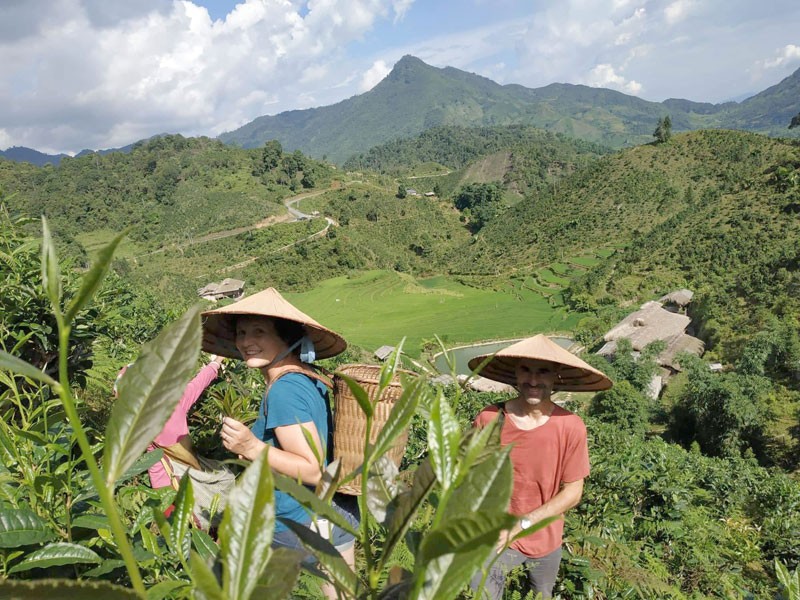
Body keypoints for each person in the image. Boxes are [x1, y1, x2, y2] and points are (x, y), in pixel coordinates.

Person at [200, 287, 358, 597]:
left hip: (298, 521)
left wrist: (250, 447)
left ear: (286, 338)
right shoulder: (307, 376)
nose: (246, 341)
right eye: (242, 332)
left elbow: (311, 470)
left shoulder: (285, 390)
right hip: (331, 515)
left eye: (259, 331)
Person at [467, 334, 612, 600]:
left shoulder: (570, 426)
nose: (533, 380)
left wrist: (520, 525)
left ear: (556, 375)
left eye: (542, 371)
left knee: (541, 595)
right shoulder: (490, 418)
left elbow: (572, 492)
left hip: (545, 538)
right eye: (526, 370)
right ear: (515, 373)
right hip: (494, 536)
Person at [114, 355, 233, 527]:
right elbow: (198, 383)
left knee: (176, 536)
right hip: (185, 478)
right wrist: (216, 362)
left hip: (164, 486)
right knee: (220, 492)